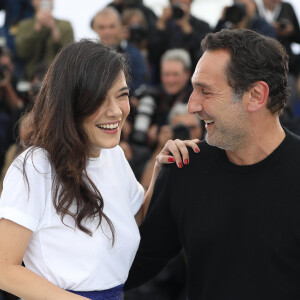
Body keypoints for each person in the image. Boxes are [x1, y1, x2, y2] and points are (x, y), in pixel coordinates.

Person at [0, 40, 199, 300]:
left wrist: (161, 169)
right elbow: (5, 269)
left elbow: (137, 219)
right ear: (70, 102)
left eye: (122, 95)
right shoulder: (36, 166)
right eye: (98, 99)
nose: (116, 111)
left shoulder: (113, 155)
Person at [125, 28, 300, 299]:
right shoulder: (184, 168)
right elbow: (127, 268)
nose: (192, 105)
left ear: (256, 95)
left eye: (205, 91)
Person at [91, 7, 148, 92]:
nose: (107, 31)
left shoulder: (135, 55)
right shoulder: (89, 56)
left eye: (111, 26)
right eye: (102, 27)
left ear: (120, 26)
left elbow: (141, 84)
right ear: (95, 28)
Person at [15, 0, 74, 80]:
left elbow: (71, 55)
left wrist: (55, 32)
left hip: (57, 77)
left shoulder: (65, 25)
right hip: (31, 77)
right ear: (33, 2)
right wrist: (36, 29)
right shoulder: (25, 25)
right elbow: (22, 53)